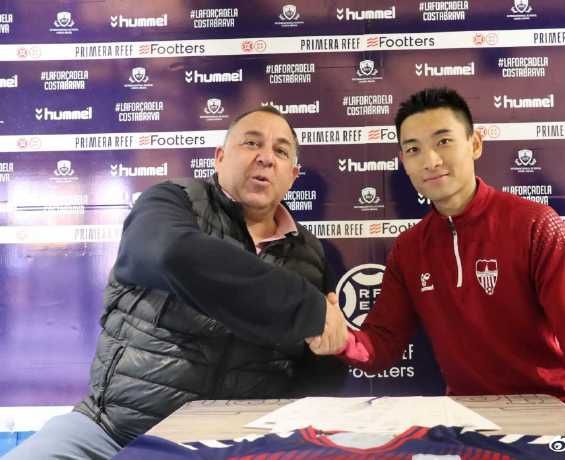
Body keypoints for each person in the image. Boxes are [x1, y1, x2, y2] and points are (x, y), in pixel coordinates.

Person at [7, 106, 348, 459]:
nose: (265, 158)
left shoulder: (313, 257)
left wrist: (326, 354)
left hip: (230, 448)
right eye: (251, 143)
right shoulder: (171, 202)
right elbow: (172, 254)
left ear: (293, 175)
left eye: (280, 151)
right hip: (113, 432)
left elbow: (321, 375)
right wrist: (305, 306)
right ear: (219, 158)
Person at [313, 88, 565, 435]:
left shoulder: (537, 225)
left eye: (443, 141)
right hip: (467, 424)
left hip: (552, 415)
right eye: (414, 149)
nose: (430, 160)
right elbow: (382, 346)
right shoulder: (409, 249)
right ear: (403, 161)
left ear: (475, 144)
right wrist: (343, 342)